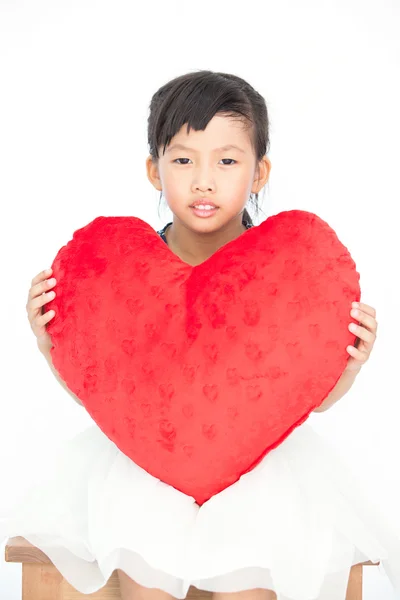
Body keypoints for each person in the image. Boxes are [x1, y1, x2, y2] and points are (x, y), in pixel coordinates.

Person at [2, 70, 400, 600]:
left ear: (259, 173)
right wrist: (47, 340)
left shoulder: (288, 272)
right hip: (143, 461)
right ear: (154, 169)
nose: (204, 180)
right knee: (147, 569)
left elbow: (312, 398)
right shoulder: (119, 270)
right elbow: (99, 383)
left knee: (249, 578)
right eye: (183, 160)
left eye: (227, 161)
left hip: (259, 463)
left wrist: (349, 364)